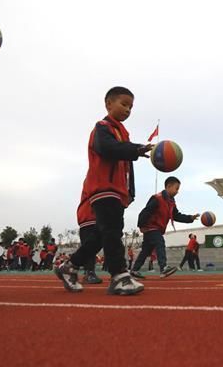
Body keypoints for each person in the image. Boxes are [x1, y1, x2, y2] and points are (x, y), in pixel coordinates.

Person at [56, 86, 152, 295]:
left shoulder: (122, 132)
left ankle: (69, 266)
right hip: (103, 188)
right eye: (123, 104)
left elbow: (126, 167)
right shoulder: (103, 127)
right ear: (108, 104)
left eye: (131, 107)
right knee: (112, 231)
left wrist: (129, 192)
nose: (127, 110)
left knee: (101, 236)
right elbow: (107, 149)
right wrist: (135, 149)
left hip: (116, 190)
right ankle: (119, 276)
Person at [130, 176, 199, 279]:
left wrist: (190, 218)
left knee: (146, 251)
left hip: (155, 229)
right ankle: (163, 268)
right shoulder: (157, 198)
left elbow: (176, 216)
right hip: (151, 227)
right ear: (169, 186)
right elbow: (145, 212)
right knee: (160, 242)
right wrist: (141, 225)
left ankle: (134, 270)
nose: (177, 191)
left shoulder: (171, 202)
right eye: (176, 188)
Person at [76, 196, 103, 284]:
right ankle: (87, 271)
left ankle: (86, 270)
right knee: (91, 246)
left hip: (91, 217)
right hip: (90, 217)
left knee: (92, 247)